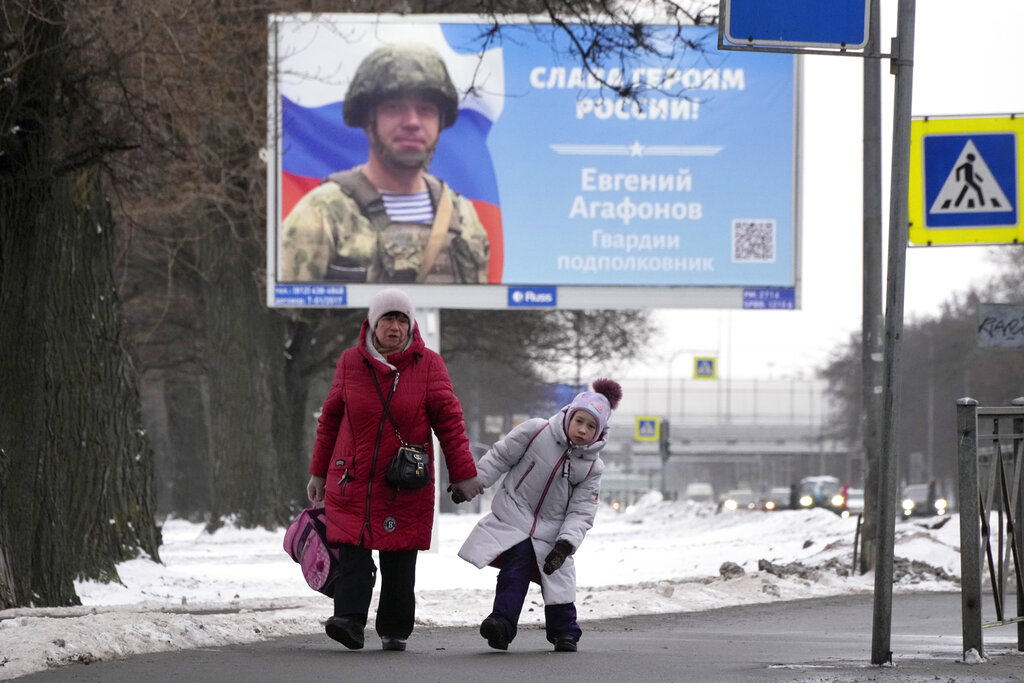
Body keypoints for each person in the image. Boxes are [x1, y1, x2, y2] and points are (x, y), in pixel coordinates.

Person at [305, 288, 484, 651]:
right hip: (351, 479)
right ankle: (349, 621)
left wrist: (464, 474)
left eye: (403, 319)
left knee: (399, 558)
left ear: (411, 325)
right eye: (388, 318)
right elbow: (330, 421)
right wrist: (319, 473)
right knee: (352, 551)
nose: (395, 326)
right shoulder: (349, 363)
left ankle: (395, 628)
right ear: (373, 322)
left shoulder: (429, 365)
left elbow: (449, 422)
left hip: (403, 481)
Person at [281, 43, 490, 284]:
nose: (412, 122)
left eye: (425, 109)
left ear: (440, 122)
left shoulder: (462, 216)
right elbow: (285, 315)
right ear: (368, 120)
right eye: (394, 108)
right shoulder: (322, 214)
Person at [456, 379, 623, 653]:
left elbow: (581, 512)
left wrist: (565, 544)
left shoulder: (592, 467)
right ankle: (501, 624)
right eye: (579, 420)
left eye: (591, 426)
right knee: (516, 567)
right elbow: (500, 457)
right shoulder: (536, 431)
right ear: (569, 415)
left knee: (559, 580)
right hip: (515, 516)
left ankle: (565, 633)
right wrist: (472, 484)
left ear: (600, 432)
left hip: (552, 533)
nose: (582, 430)